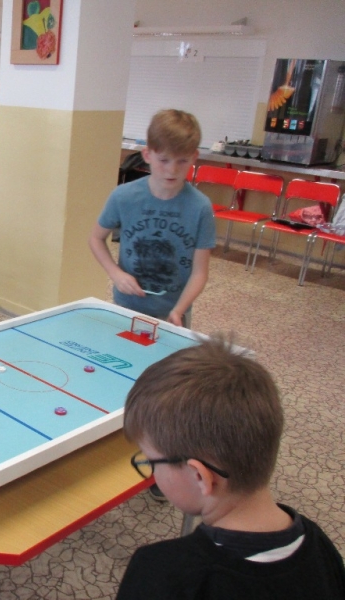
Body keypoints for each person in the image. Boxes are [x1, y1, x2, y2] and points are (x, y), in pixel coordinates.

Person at [117, 337, 345, 599]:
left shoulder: (160, 571)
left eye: (150, 461)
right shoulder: (320, 544)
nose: (152, 473)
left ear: (199, 476)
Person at [88, 109, 215, 329]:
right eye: (163, 160)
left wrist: (179, 310)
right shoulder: (124, 196)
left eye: (182, 161)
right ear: (147, 155)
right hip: (127, 305)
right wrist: (115, 274)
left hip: (173, 311)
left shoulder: (200, 207)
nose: (172, 170)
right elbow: (95, 239)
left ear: (194, 157)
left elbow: (199, 273)